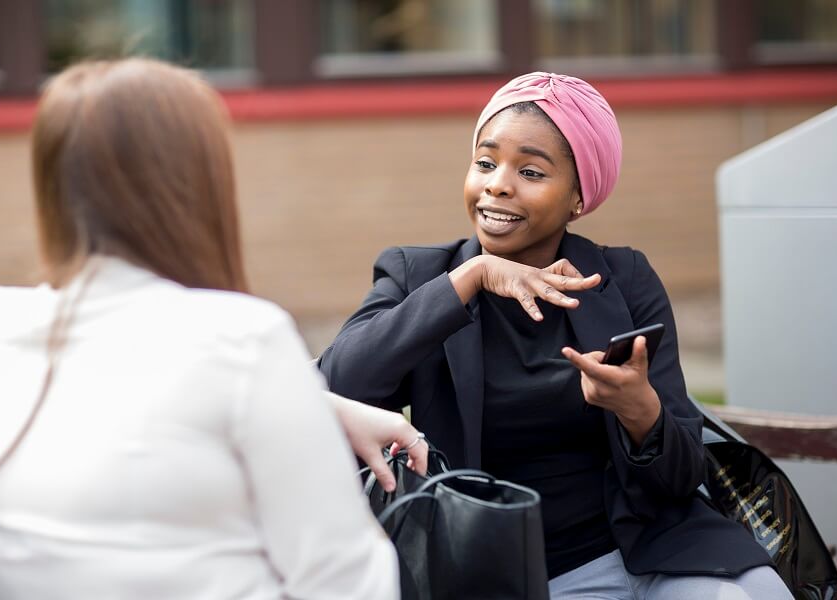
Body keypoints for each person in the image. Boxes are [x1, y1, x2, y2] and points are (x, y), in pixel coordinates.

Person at [318, 72, 794, 599]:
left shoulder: (625, 279)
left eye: (530, 170)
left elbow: (681, 477)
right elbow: (334, 384)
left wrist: (642, 412)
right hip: (522, 576)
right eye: (485, 162)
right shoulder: (418, 277)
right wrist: (470, 278)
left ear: (578, 197)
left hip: (656, 546)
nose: (499, 183)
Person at [0, 58, 427, 600]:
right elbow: (350, 583)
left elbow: (114, 378)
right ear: (194, 186)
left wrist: (310, 405)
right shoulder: (244, 339)